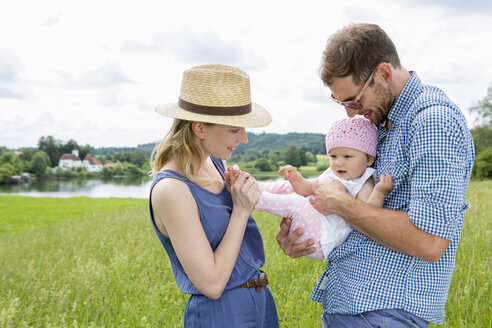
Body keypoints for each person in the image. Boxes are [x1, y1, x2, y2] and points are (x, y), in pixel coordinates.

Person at [276, 23, 475, 327]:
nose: (351, 114)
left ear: (383, 73)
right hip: (356, 304)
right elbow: (359, 203)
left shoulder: (432, 122)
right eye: (341, 103)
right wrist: (308, 234)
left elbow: (429, 241)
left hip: (385, 312)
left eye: (354, 101)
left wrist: (341, 204)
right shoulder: (381, 122)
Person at [149, 64, 279, 327]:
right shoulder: (172, 190)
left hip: (260, 302)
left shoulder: (217, 164)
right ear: (199, 128)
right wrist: (241, 211)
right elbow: (213, 284)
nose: (243, 139)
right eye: (234, 129)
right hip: (222, 316)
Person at [255, 117, 393, 260]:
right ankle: (256, 187)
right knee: (288, 187)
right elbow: (307, 188)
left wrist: (380, 191)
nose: (339, 163)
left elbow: (369, 213)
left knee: (296, 202)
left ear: (369, 159)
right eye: (333, 156)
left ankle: (255, 198)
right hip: (313, 223)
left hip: (323, 237)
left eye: (347, 156)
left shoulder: (362, 182)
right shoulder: (333, 174)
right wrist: (295, 178)